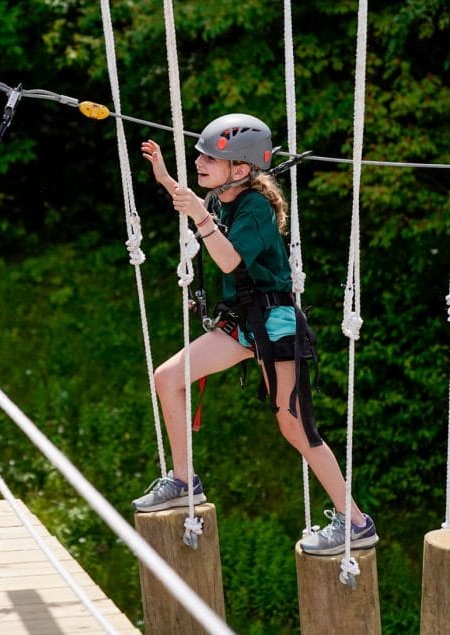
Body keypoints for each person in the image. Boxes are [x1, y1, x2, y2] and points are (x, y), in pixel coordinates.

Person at [132, 113, 378, 556]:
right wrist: (167, 179)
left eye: (211, 157)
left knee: (295, 425)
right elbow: (197, 207)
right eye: (200, 154)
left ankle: (356, 522)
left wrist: (199, 215)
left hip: (273, 323)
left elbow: (229, 261)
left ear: (240, 170)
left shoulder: (255, 208)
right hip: (241, 324)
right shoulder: (224, 198)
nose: (199, 161)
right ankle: (185, 480)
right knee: (168, 378)